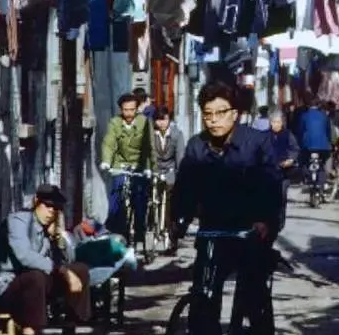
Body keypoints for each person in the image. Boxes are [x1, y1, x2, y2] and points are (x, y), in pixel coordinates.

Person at [171, 81, 284, 335]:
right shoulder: (196, 146)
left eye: (220, 113)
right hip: (213, 229)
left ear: (235, 114)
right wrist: (179, 221)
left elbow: (272, 187)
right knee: (203, 295)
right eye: (207, 114)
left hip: (249, 230)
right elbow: (185, 188)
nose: (213, 120)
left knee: (254, 296)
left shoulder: (256, 143)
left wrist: (266, 222)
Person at [0, 185, 91, 335]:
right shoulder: (18, 221)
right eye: (47, 206)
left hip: (36, 289)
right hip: (4, 289)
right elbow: (24, 256)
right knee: (35, 277)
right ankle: (31, 331)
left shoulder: (47, 228)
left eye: (56, 208)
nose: (51, 211)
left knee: (79, 270)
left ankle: (72, 324)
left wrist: (58, 238)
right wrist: (62, 270)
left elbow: (68, 260)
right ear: (36, 201)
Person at [101, 92, 157, 250]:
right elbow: (109, 142)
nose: (129, 114)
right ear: (121, 109)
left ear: (137, 109)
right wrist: (106, 161)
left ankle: (140, 233)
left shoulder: (144, 122)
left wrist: (150, 168)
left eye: (132, 110)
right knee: (116, 196)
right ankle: (116, 232)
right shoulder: (115, 122)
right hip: (120, 164)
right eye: (125, 110)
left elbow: (149, 147)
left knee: (140, 199)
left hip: (139, 165)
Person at [153, 105, 186, 252]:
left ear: (169, 120)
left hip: (170, 170)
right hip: (155, 170)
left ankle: (172, 237)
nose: (161, 123)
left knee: (171, 204)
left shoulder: (177, 135)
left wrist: (180, 175)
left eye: (164, 119)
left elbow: (180, 157)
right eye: (158, 120)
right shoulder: (151, 134)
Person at [268, 109, 300, 230]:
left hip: (283, 171)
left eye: (278, 122)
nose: (275, 125)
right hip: (269, 170)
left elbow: (295, 149)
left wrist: (290, 159)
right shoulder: (264, 135)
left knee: (281, 196)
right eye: (273, 122)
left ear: (282, 123)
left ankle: (280, 221)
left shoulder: (288, 134)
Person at [297, 94, 332, 187]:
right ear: (319, 105)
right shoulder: (324, 116)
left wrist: (300, 143)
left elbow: (300, 131)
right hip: (323, 146)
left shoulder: (303, 116)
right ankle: (322, 182)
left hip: (307, 146)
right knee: (323, 163)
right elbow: (328, 132)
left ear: (308, 105)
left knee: (303, 160)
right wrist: (329, 142)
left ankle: (306, 177)